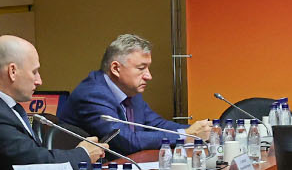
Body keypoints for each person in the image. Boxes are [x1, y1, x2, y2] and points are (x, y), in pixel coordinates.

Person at [0, 35, 105, 170]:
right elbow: (33, 163)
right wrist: (83, 154)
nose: (39, 81)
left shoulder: (4, 107)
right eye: (34, 72)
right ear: (12, 71)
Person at [58, 34, 213, 153]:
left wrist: (198, 130)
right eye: (141, 68)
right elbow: (125, 141)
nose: (149, 76)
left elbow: (157, 125)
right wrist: (186, 134)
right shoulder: (93, 94)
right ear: (116, 68)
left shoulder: (130, 91)